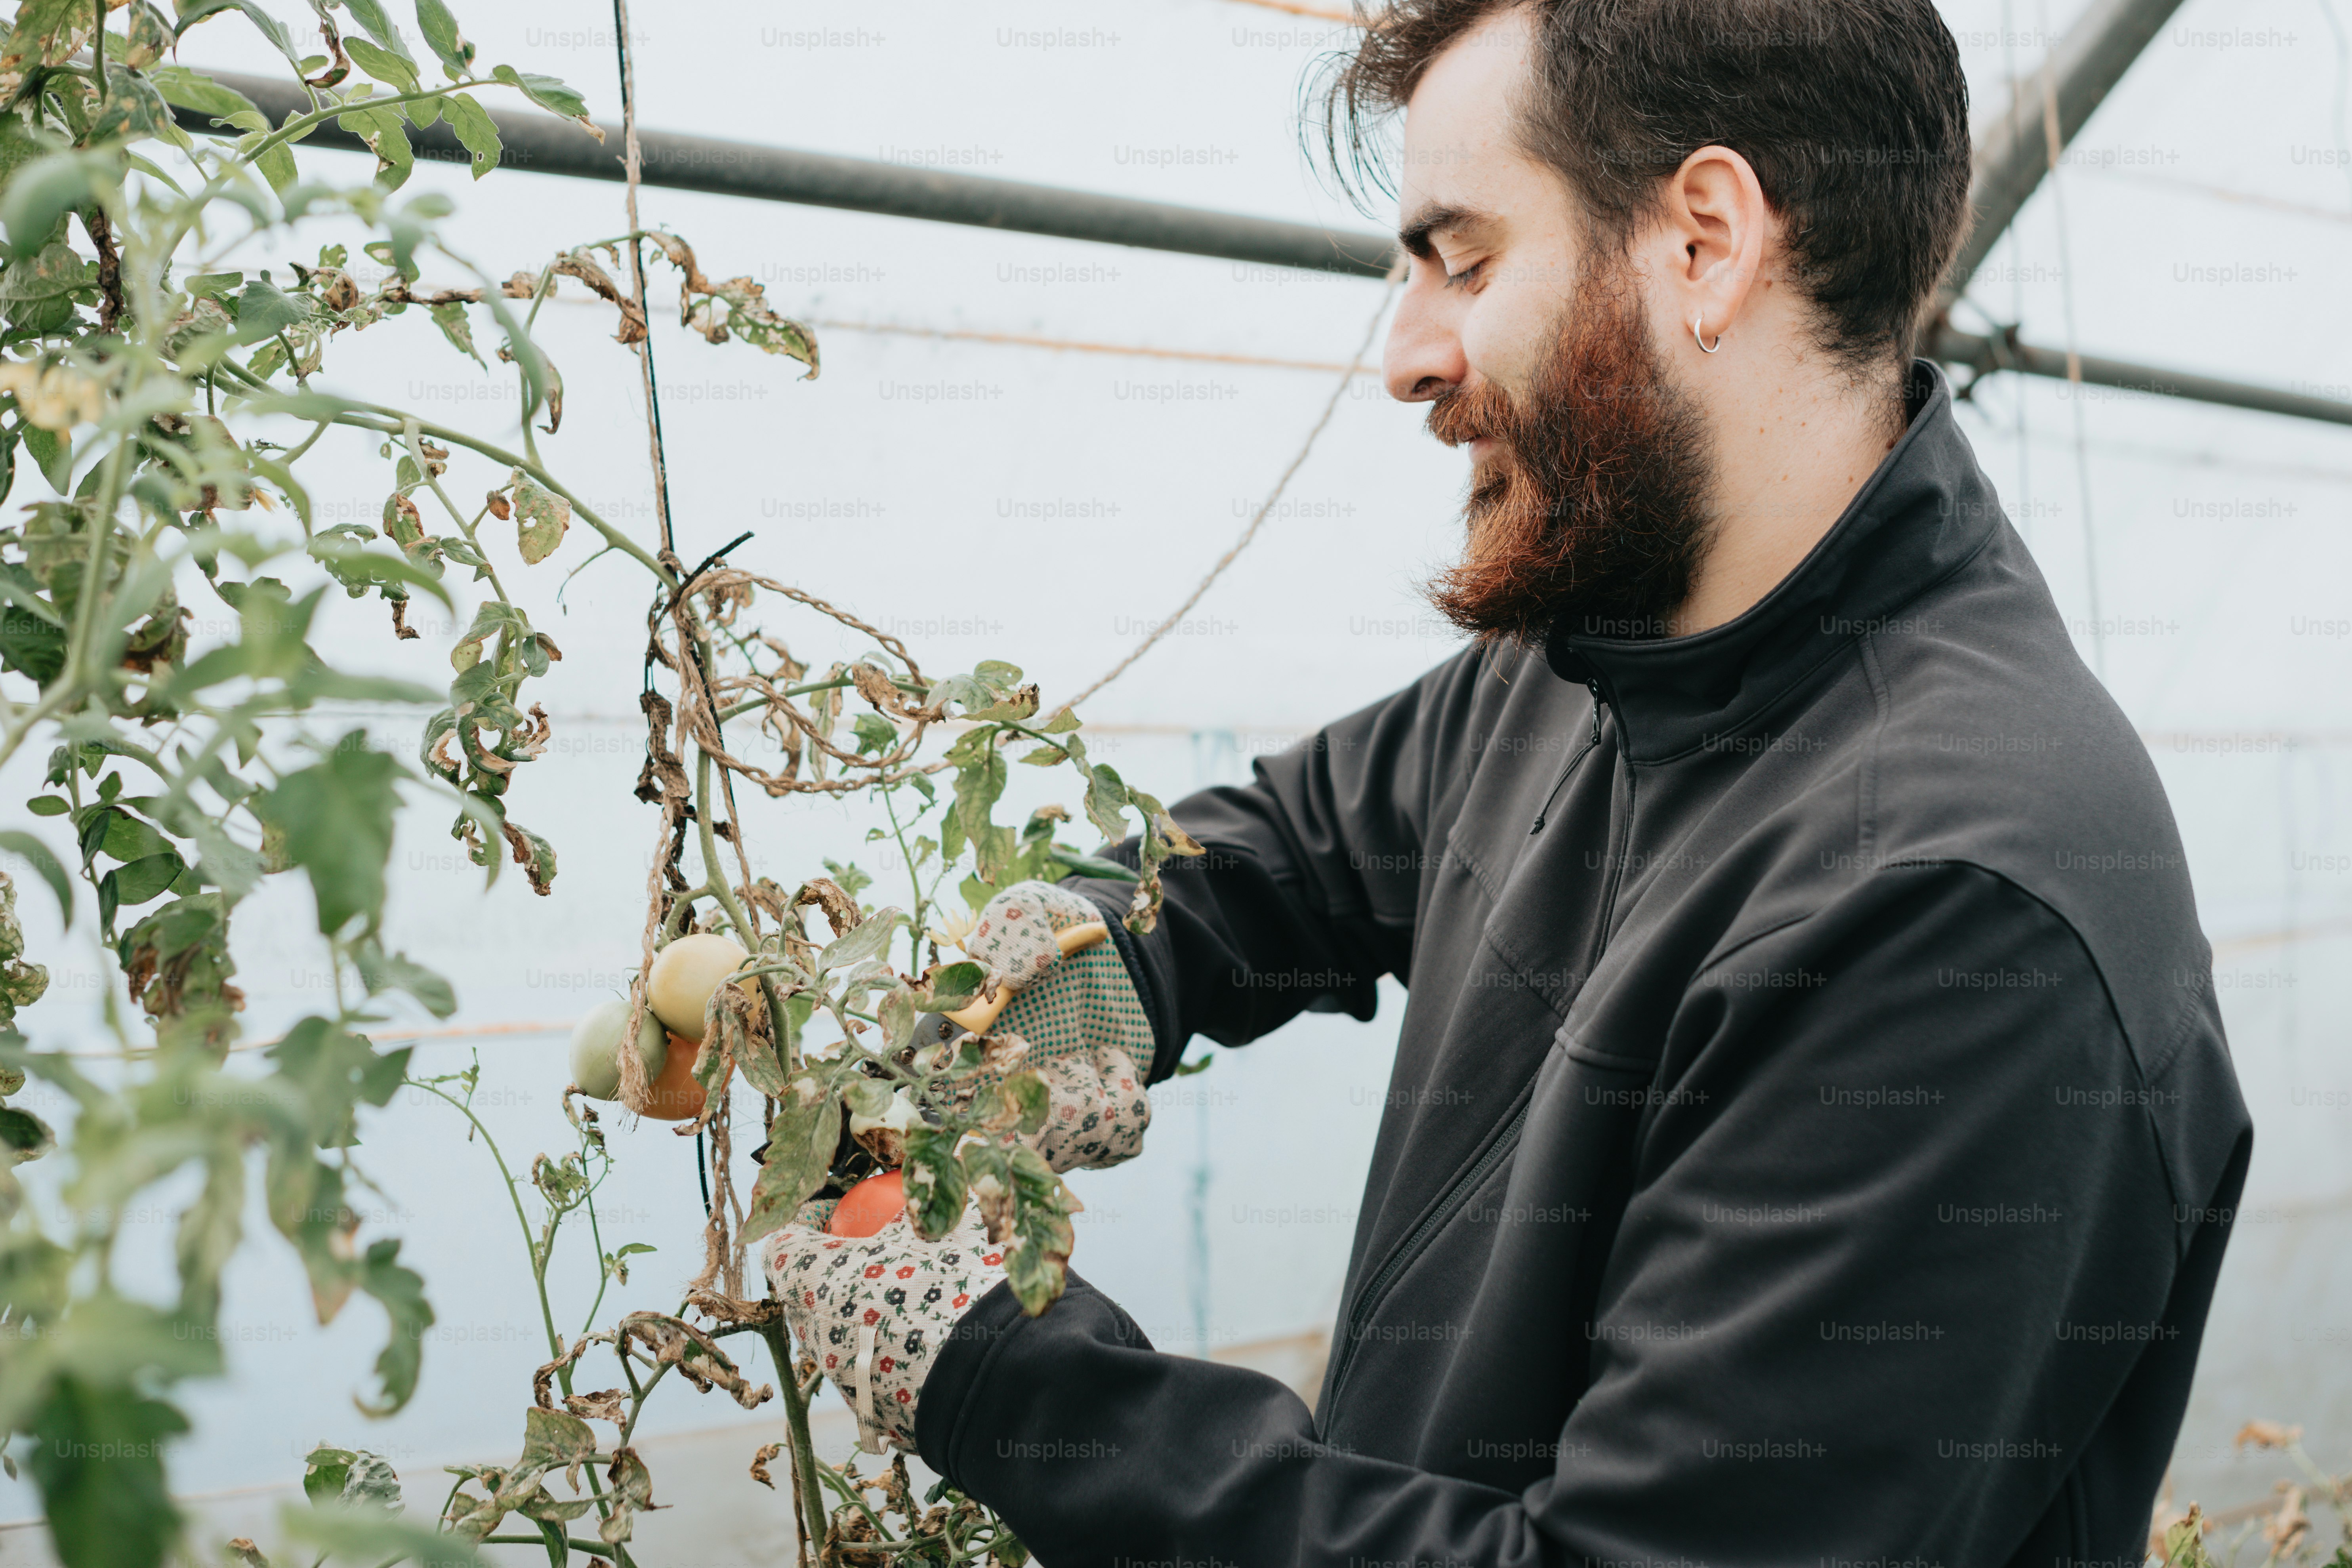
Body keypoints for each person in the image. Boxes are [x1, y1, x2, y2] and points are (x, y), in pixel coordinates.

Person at [765, 2, 2253, 1562]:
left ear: (1703, 243)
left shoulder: (1955, 906)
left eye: (1462, 261)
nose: (1406, 354)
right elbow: (1290, 854)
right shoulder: (1600, 654)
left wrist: (1002, 1371)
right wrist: (1065, 982)